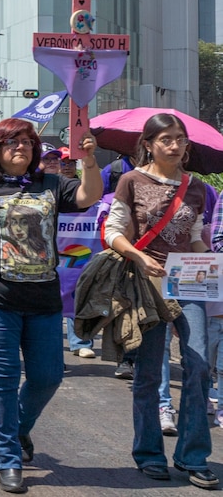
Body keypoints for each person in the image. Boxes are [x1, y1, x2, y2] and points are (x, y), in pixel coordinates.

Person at [0, 117, 101, 493]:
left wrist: (90, 160)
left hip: (43, 301)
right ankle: (8, 458)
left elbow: (88, 196)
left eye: (28, 143)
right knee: (3, 378)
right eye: (13, 142)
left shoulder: (50, 183)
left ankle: (18, 429)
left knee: (48, 376)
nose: (22, 148)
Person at [104, 113, 216, 489]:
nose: (174, 145)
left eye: (180, 139)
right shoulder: (130, 181)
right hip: (144, 283)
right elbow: (113, 232)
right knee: (150, 372)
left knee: (199, 366)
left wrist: (211, 262)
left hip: (189, 283)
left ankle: (193, 456)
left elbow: (196, 236)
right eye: (166, 139)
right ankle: (149, 454)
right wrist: (139, 257)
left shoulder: (197, 187)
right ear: (149, 144)